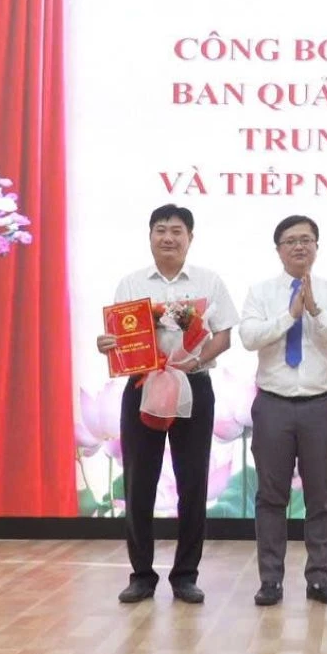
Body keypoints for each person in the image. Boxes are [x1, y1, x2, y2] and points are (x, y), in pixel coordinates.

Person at [96, 204, 238, 605]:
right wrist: (107, 345)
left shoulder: (209, 281)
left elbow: (224, 336)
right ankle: (141, 575)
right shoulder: (131, 283)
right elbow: (119, 337)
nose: (168, 238)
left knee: (192, 484)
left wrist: (195, 359)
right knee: (138, 483)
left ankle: (185, 576)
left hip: (193, 385)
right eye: (161, 230)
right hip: (143, 385)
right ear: (150, 237)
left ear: (190, 238)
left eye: (177, 231)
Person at [239, 215, 327, 607]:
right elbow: (249, 338)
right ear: (278, 249)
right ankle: (270, 580)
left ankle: (319, 578)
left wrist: (316, 311)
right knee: (271, 496)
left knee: (321, 496)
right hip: (273, 404)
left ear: (317, 247)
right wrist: (290, 315)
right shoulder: (261, 292)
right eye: (290, 240)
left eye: (307, 239)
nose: (299, 246)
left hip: (318, 405)